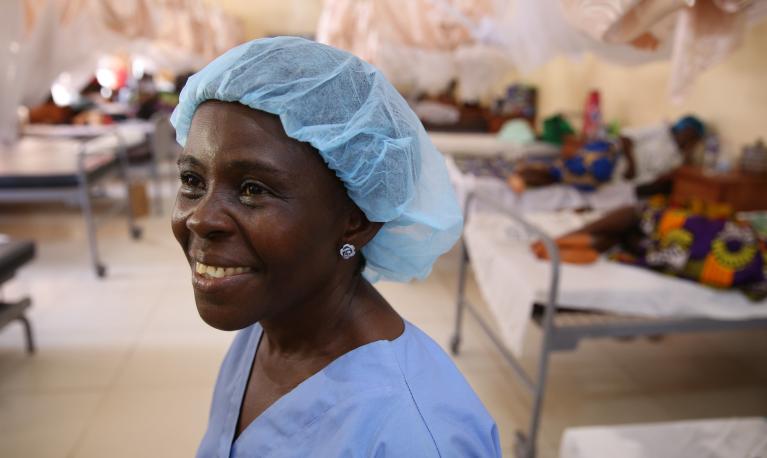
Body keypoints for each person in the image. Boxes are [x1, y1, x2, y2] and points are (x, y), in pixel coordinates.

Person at [169, 37, 501, 457]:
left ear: (355, 221)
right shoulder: (268, 325)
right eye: (193, 181)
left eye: (253, 189)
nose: (200, 218)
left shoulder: (413, 434)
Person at [531, 200, 767, 300]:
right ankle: (556, 249)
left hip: (685, 241)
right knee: (620, 235)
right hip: (664, 248)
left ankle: (555, 243)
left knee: (634, 214)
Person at [506, 115, 706, 197]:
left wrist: (633, 179)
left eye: (693, 139)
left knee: (574, 180)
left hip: (620, 176)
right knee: (569, 168)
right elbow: (625, 138)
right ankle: (525, 176)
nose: (688, 140)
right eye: (688, 134)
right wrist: (633, 165)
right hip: (615, 156)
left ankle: (531, 181)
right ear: (681, 129)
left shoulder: (678, 159)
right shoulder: (661, 131)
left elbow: (651, 176)